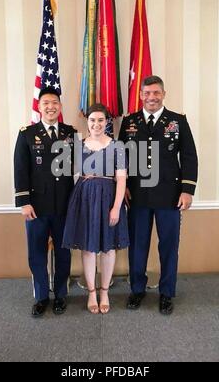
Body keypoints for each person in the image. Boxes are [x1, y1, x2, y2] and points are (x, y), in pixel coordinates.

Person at [119, 75, 198, 314]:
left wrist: (187, 190)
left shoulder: (177, 121)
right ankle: (137, 290)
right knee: (138, 245)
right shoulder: (129, 121)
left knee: (169, 246)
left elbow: (189, 157)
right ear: (141, 95)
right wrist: (122, 189)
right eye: (147, 93)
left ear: (164, 94)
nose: (151, 97)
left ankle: (166, 293)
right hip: (138, 196)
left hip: (169, 196)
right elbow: (121, 157)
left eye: (156, 93)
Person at [14, 87, 77, 318]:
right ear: (39, 107)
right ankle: (41, 296)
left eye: (54, 103)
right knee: (37, 253)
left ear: (60, 107)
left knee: (63, 252)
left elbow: (79, 167)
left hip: (64, 205)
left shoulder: (71, 133)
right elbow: (21, 170)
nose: (50, 106)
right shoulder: (27, 134)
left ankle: (60, 295)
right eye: (46, 103)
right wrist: (24, 202)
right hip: (36, 207)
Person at [62, 104, 129, 314]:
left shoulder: (117, 146)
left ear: (107, 122)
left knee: (108, 247)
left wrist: (116, 207)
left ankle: (105, 291)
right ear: (87, 122)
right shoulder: (77, 145)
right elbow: (64, 173)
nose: (96, 124)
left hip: (108, 198)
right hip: (84, 199)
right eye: (92, 120)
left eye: (101, 120)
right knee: (88, 248)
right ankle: (91, 292)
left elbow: (121, 178)